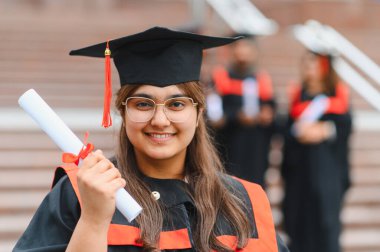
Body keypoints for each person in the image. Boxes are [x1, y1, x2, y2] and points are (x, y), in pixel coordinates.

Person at [13, 27, 288, 252]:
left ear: (198, 112)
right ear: (122, 110)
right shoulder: (80, 194)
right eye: (143, 104)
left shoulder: (244, 201)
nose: (159, 120)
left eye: (177, 104)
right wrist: (94, 221)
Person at [281, 50, 352, 252]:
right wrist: (299, 132)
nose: (308, 68)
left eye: (313, 64)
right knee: (299, 223)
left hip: (326, 175)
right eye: (305, 64)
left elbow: (345, 127)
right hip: (300, 175)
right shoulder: (299, 96)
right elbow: (286, 131)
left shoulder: (336, 96)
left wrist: (325, 130)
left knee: (325, 224)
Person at [208, 34, 275, 186]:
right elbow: (214, 115)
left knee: (255, 185)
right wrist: (236, 116)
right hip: (229, 143)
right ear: (231, 51)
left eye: (246, 47)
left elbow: (270, 109)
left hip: (255, 146)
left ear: (254, 51)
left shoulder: (261, 79)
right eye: (238, 47)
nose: (242, 52)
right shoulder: (220, 78)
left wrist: (267, 115)